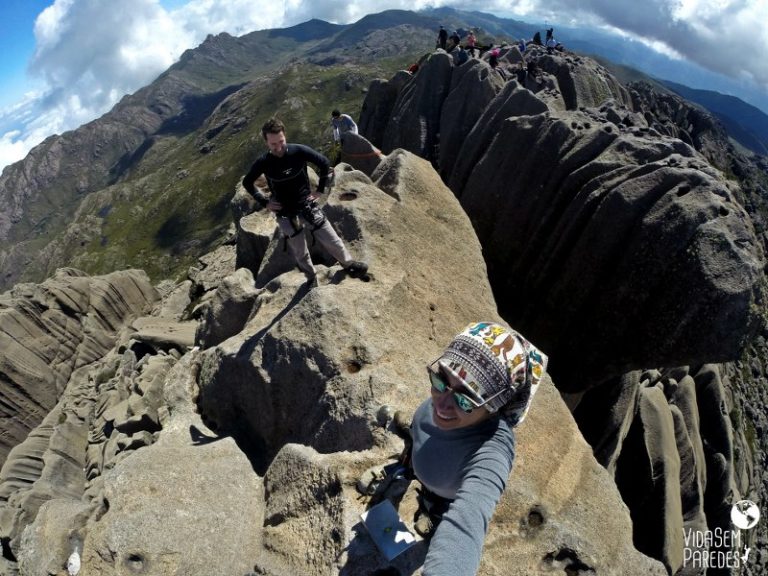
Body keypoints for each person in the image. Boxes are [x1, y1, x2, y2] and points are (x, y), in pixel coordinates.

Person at [411, 321, 548, 575]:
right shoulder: (448, 399)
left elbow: (467, 525)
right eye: (440, 379)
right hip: (426, 462)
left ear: (493, 406)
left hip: (445, 493)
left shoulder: (493, 453)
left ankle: (434, 513)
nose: (442, 405)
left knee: (439, 507)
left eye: (465, 399)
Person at [242, 117, 368, 283]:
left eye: (281, 141)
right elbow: (247, 182)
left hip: (306, 204)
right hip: (284, 211)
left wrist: (320, 190)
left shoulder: (298, 152)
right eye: (273, 144)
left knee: (330, 236)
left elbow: (324, 163)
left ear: (285, 136)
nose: (279, 147)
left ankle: (348, 264)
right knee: (299, 249)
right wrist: (265, 202)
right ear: (266, 142)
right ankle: (311, 278)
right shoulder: (264, 162)